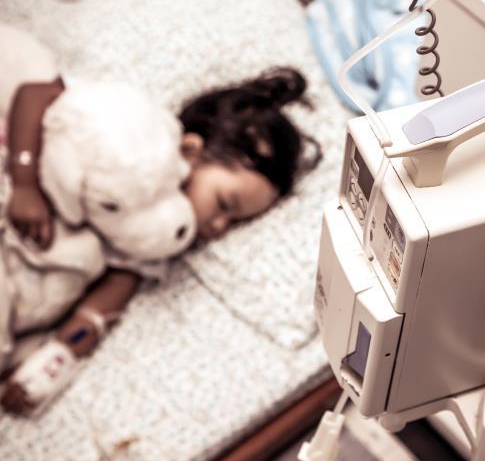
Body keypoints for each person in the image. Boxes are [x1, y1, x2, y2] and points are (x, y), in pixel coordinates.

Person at [1, 67, 321, 415]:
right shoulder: (132, 134)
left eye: (233, 223)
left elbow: (107, 300)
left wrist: (56, 360)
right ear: (190, 152)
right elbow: (35, 94)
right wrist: (25, 182)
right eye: (224, 205)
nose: (218, 226)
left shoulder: (158, 244)